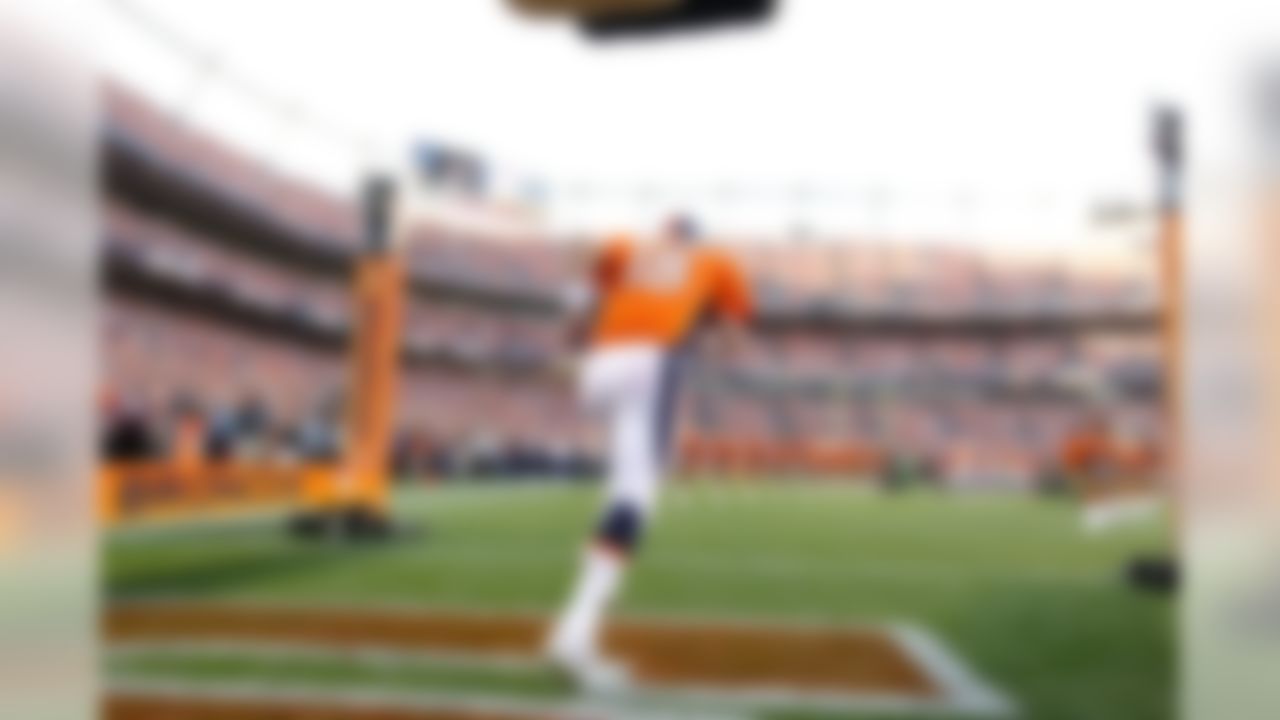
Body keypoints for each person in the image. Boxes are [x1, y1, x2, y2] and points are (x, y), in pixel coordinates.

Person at [546, 214, 754, 692]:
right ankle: (576, 631)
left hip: (598, 367)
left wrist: (574, 318)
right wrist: (713, 342)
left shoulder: (629, 245)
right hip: (650, 363)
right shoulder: (714, 258)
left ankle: (586, 600)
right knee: (637, 497)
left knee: (625, 489)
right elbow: (734, 334)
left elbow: (579, 249)